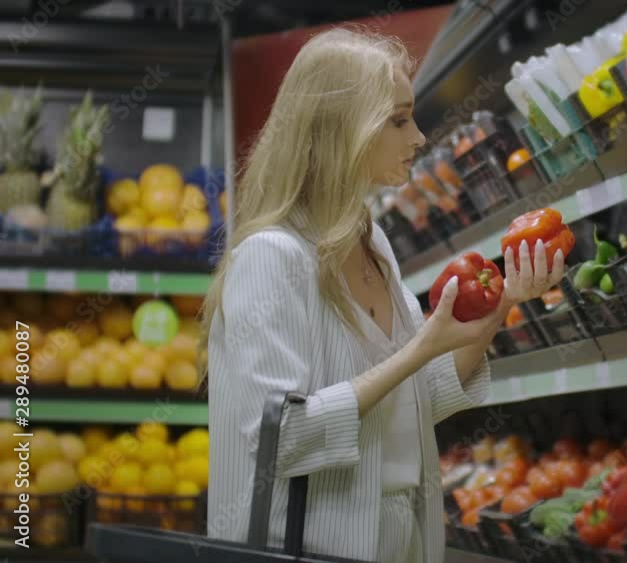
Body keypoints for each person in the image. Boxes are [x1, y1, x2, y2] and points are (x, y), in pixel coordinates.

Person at [198, 27, 564, 563]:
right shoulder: (271, 258)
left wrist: (504, 300)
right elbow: (282, 439)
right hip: (308, 546)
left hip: (399, 539)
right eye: (398, 120)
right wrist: (419, 348)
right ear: (340, 129)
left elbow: (419, 402)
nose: (418, 137)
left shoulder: (375, 246)